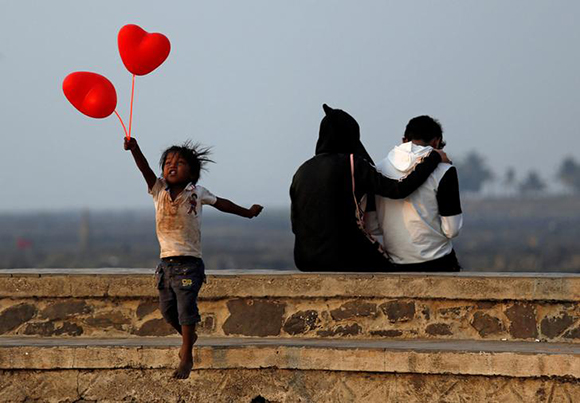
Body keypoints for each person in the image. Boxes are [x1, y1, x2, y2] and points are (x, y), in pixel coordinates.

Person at [124, 137, 263, 379]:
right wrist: (135, 150)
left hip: (189, 263)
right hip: (166, 263)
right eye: (167, 162)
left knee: (186, 307)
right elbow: (145, 169)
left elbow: (223, 204)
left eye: (179, 163)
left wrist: (248, 213)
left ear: (193, 172)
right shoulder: (158, 190)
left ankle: (186, 355)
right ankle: (189, 336)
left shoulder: (197, 193)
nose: (171, 166)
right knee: (167, 310)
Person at [290, 104, 450, 272]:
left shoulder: (302, 170)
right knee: (397, 271)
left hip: (304, 260)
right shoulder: (352, 164)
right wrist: (432, 158)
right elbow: (398, 190)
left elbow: (295, 224)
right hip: (342, 258)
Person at [375, 115, 463, 271]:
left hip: (395, 263)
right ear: (436, 141)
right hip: (437, 262)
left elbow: (372, 225)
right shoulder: (445, 171)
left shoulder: (378, 169)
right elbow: (452, 229)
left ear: (404, 140)